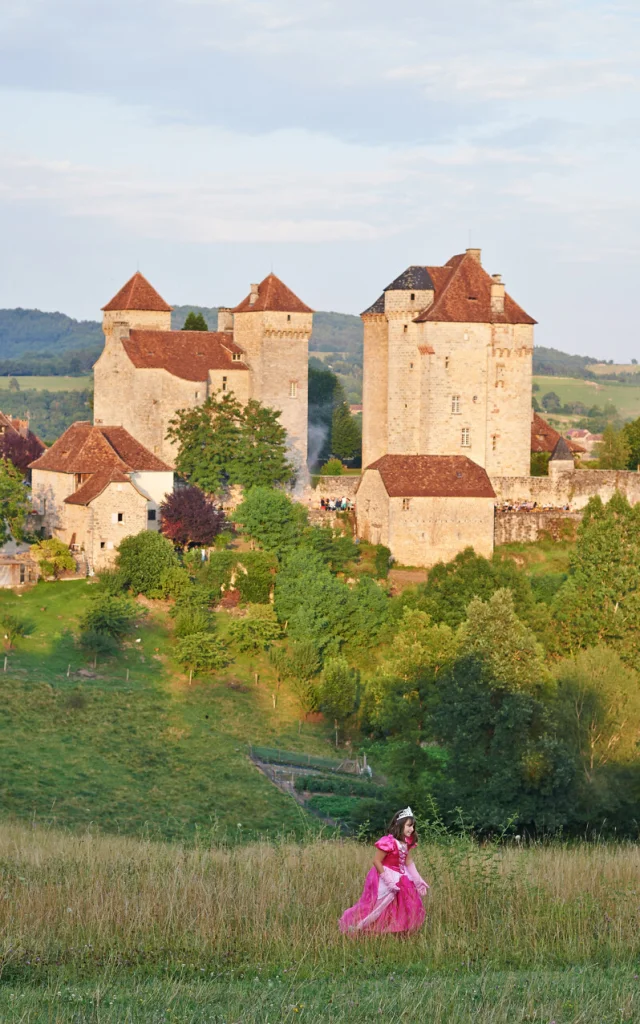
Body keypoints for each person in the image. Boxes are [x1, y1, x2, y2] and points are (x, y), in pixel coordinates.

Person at [339, 807, 428, 934]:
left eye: (413, 826)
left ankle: (395, 931)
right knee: (380, 904)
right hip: (385, 874)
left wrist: (418, 880)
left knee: (403, 904)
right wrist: (388, 881)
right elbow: (376, 861)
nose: (412, 829)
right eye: (409, 826)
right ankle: (361, 928)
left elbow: (408, 861)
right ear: (399, 824)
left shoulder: (407, 842)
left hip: (402, 876)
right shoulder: (388, 842)